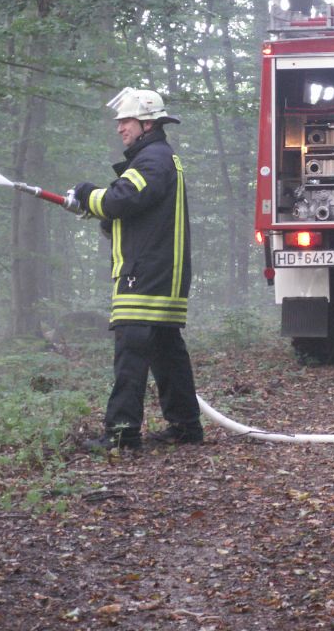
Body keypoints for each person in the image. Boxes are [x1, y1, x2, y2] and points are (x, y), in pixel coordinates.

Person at [70, 87, 203, 451]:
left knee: (131, 351)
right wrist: (97, 209)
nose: (119, 128)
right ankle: (186, 427)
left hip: (145, 273)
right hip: (161, 271)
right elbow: (132, 211)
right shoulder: (159, 158)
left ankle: (122, 433)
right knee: (165, 351)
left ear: (147, 123)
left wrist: (87, 194)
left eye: (125, 121)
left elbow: (121, 199)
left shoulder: (152, 160)